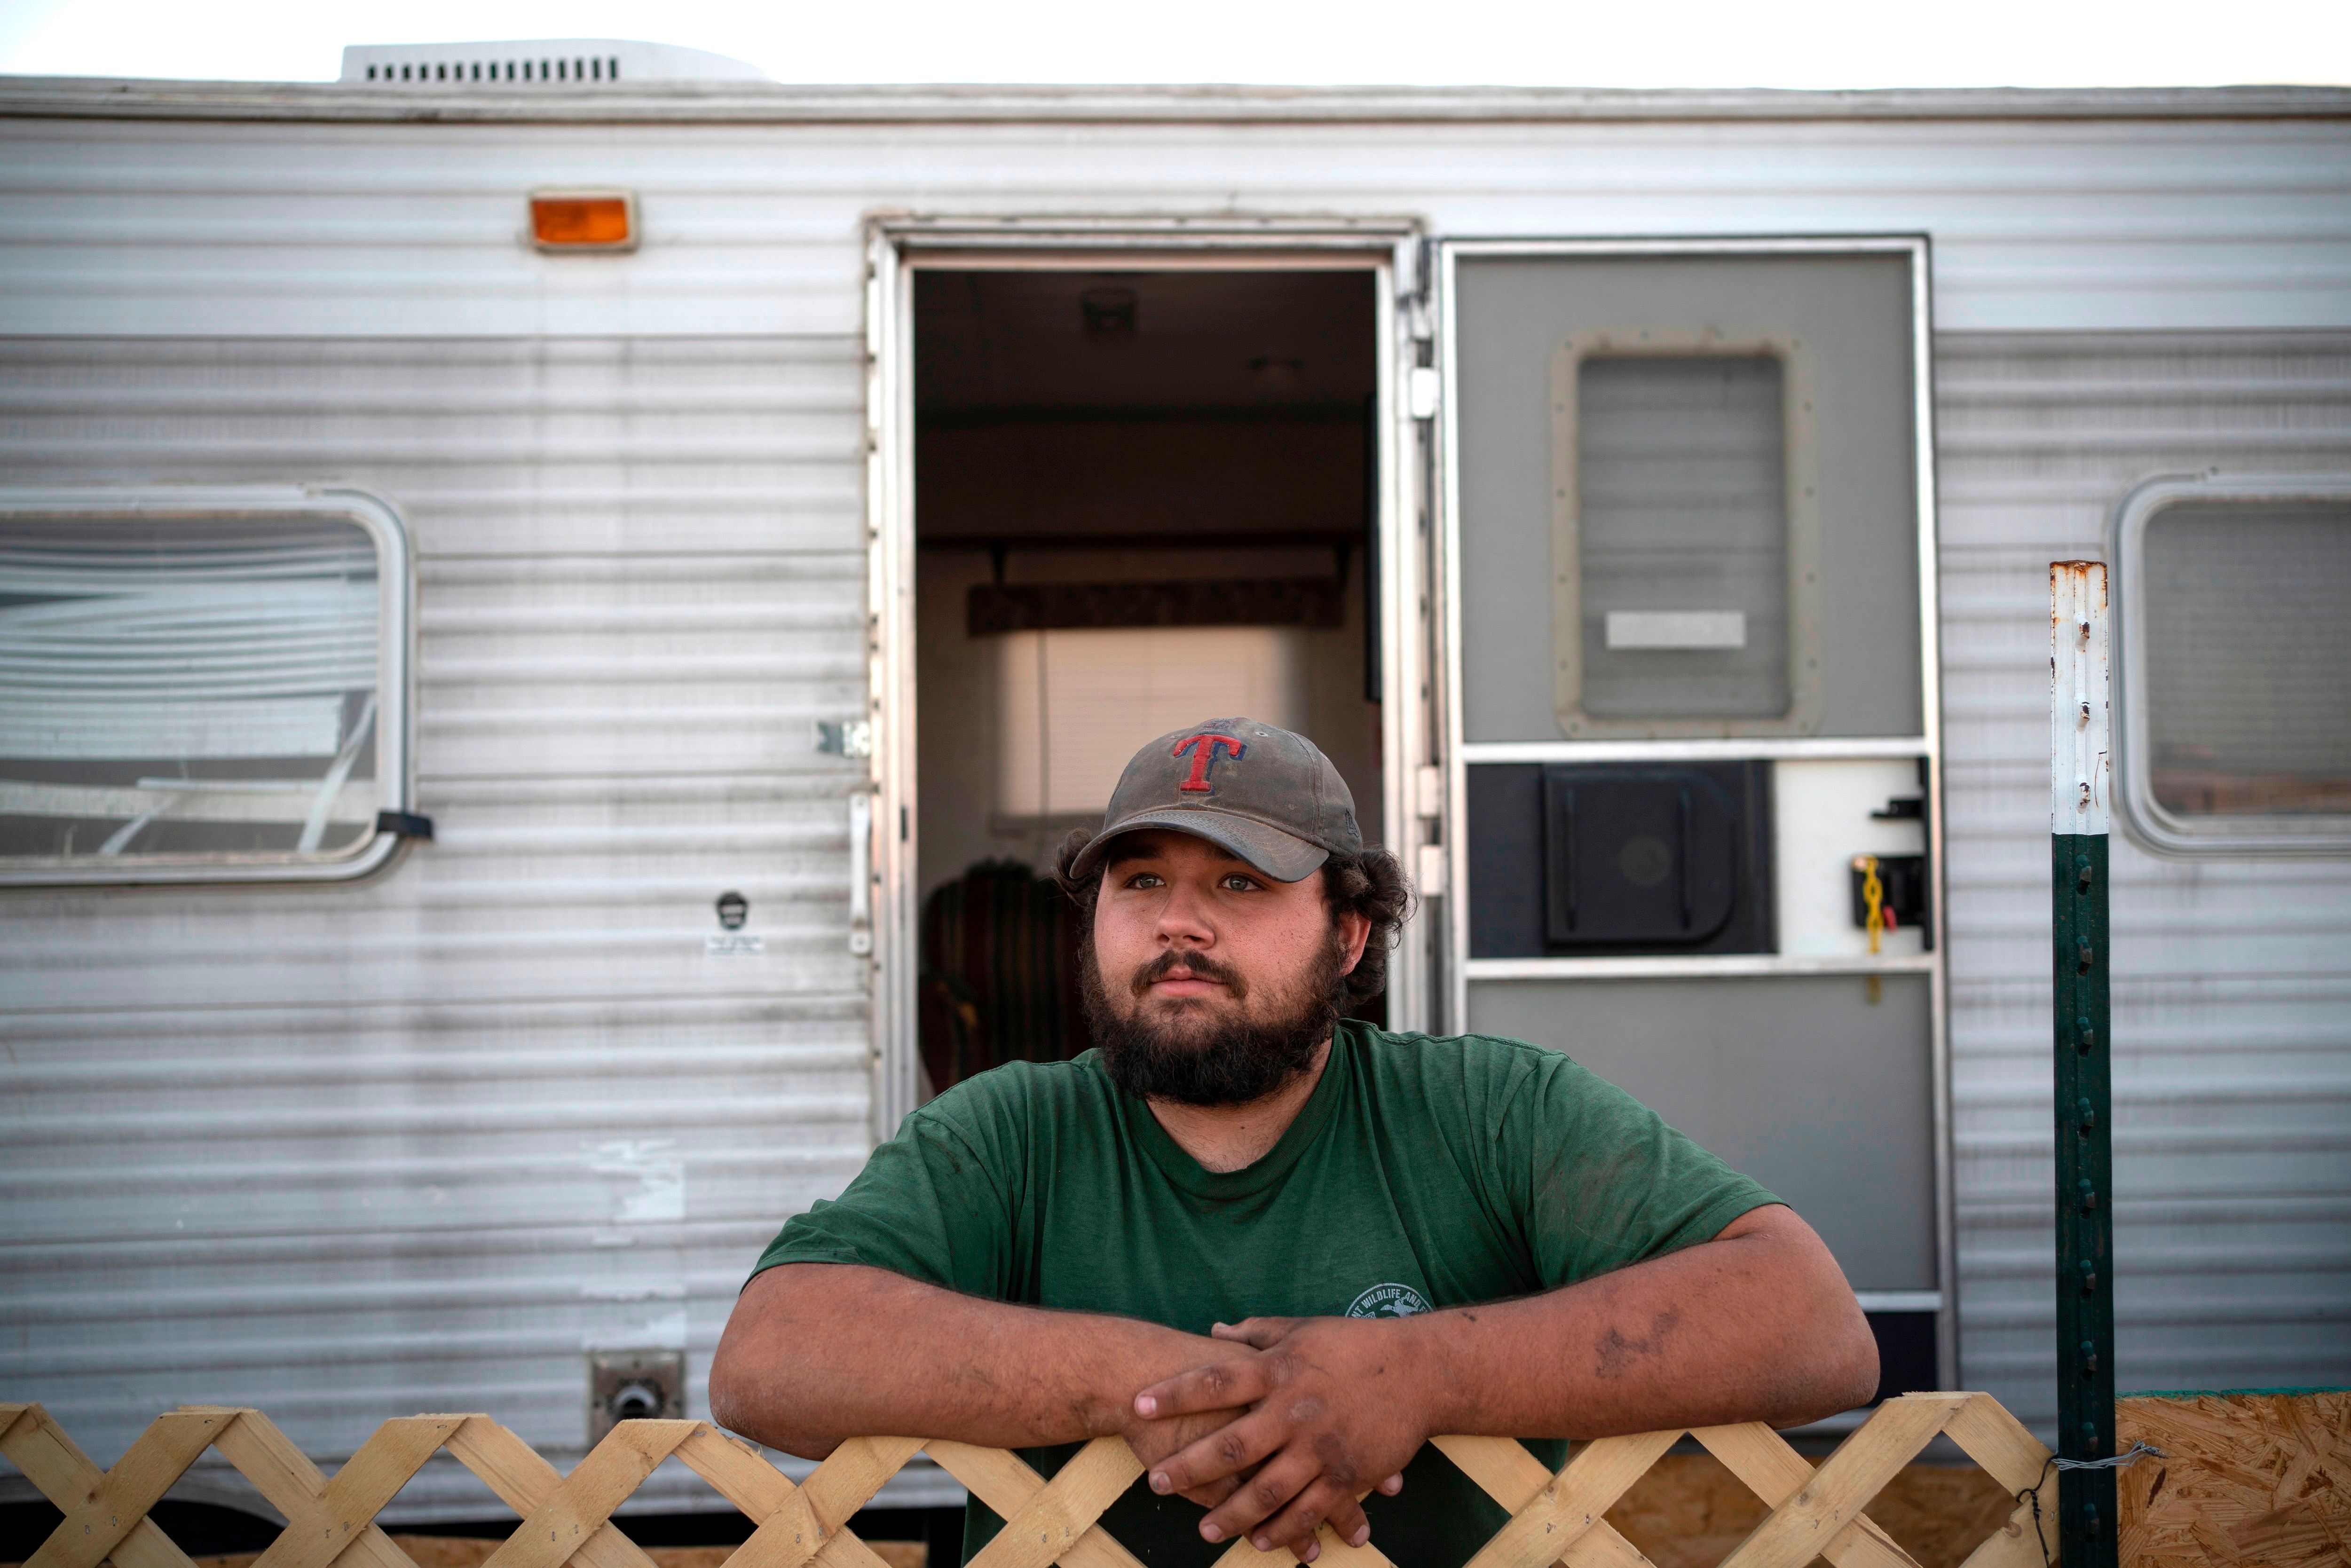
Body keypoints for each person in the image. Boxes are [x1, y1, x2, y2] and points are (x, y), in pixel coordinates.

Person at [710, 718, 1878, 1568]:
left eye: (1239, 881)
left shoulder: (1491, 1111)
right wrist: (1142, 1384)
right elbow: (771, 1359)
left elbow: (1811, 1327)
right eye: (1140, 880)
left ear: (1352, 932)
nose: (1178, 920)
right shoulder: (1007, 1130)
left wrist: (1419, 1371)